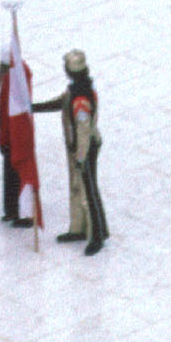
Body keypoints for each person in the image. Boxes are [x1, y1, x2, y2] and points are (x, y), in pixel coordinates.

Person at [33, 50, 108, 250]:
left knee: (87, 191)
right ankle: (78, 228)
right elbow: (61, 102)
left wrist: (81, 158)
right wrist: (35, 107)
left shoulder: (80, 99)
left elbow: (83, 132)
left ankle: (96, 236)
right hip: (76, 146)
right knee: (77, 188)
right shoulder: (75, 90)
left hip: (84, 148)